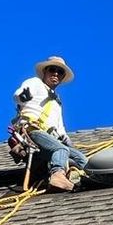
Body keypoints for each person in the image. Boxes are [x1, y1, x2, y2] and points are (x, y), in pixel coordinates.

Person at [12, 55, 88, 192]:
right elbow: (19, 95)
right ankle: (57, 176)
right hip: (32, 131)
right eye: (52, 70)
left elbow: (60, 128)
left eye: (60, 72)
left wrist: (68, 141)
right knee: (61, 150)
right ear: (45, 72)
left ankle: (90, 177)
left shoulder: (57, 102)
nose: (56, 74)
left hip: (51, 137)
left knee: (81, 159)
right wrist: (24, 96)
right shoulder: (35, 83)